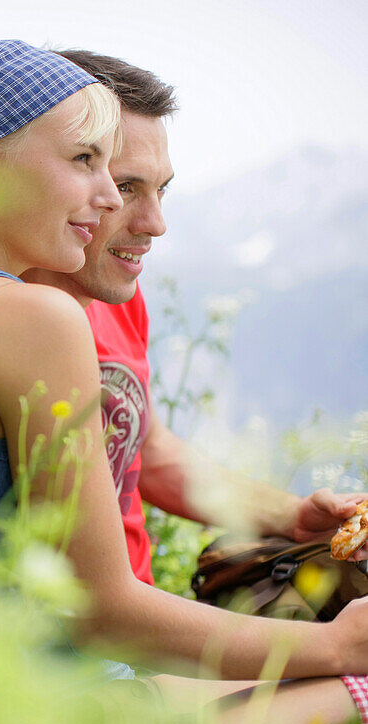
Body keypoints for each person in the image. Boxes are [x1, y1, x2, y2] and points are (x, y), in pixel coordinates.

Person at [0, 39, 368, 724]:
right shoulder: (35, 318)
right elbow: (101, 608)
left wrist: (287, 516)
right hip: (34, 694)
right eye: (88, 164)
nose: (113, 201)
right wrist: (336, 643)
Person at [24, 48, 368, 587]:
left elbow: (152, 451)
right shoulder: (4, 321)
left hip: (142, 616)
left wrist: (293, 515)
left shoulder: (117, 299)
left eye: (160, 189)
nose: (156, 223)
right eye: (126, 187)